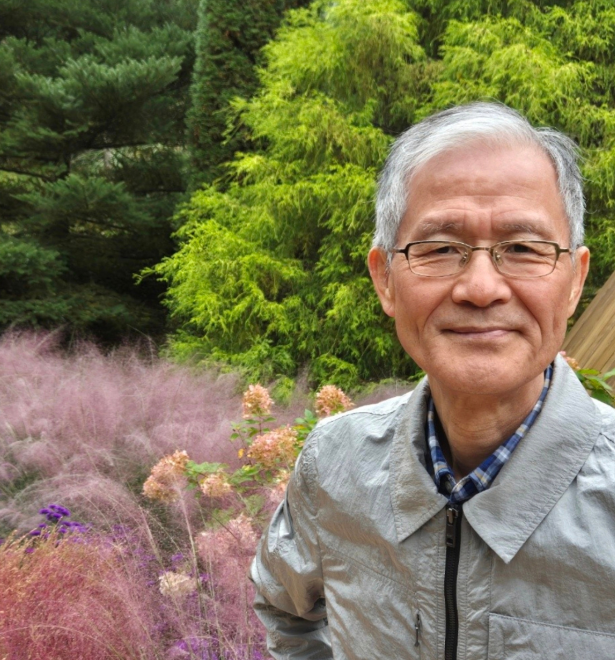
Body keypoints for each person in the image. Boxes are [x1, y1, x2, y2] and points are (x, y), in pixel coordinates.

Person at [250, 102, 615, 660]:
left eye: (522, 248)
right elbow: (287, 613)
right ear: (385, 280)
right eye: (441, 249)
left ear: (573, 281)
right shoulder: (335, 463)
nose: (481, 288)